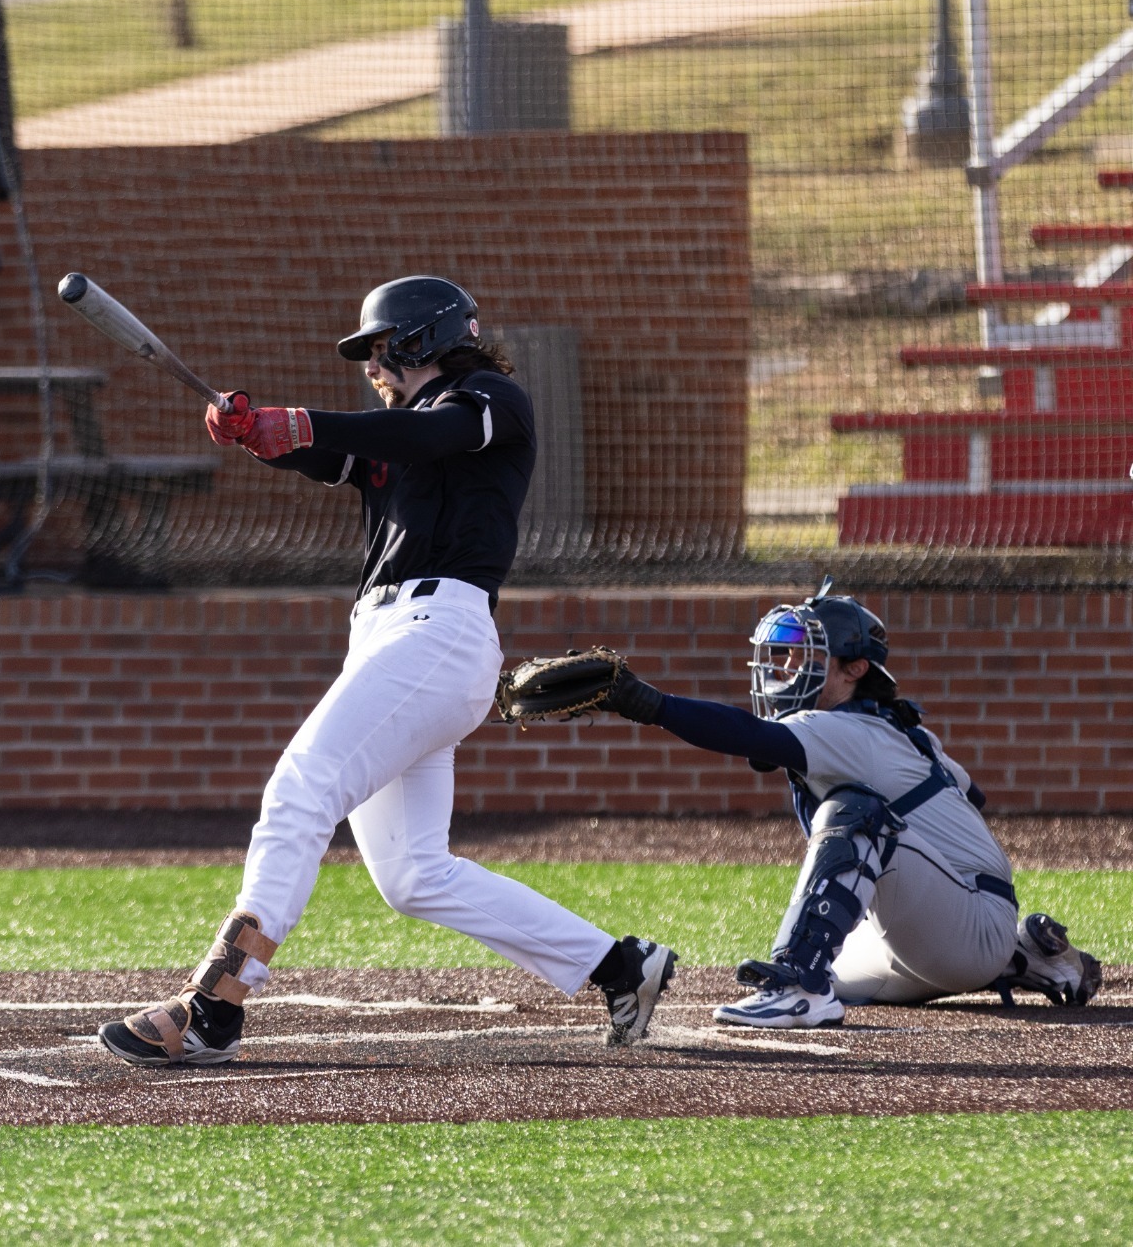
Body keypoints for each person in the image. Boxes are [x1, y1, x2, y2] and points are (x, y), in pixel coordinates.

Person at [96, 276, 678, 1067]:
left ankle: (215, 1003)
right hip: (392, 641)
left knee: (302, 787)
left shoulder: (489, 398)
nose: (371, 367)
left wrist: (298, 421)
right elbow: (339, 453)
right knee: (412, 875)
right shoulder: (396, 430)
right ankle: (619, 967)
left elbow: (423, 437)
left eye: (379, 350)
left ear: (422, 339)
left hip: (437, 632)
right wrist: (260, 434)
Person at [585, 581, 1102, 1028]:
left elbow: (746, 733)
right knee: (841, 947)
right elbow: (970, 796)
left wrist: (647, 703)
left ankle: (801, 988)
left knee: (856, 812)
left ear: (854, 669)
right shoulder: (896, 728)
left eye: (806, 656)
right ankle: (1020, 956)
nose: (788, 667)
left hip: (968, 924)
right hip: (932, 938)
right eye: (786, 654)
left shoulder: (849, 727)